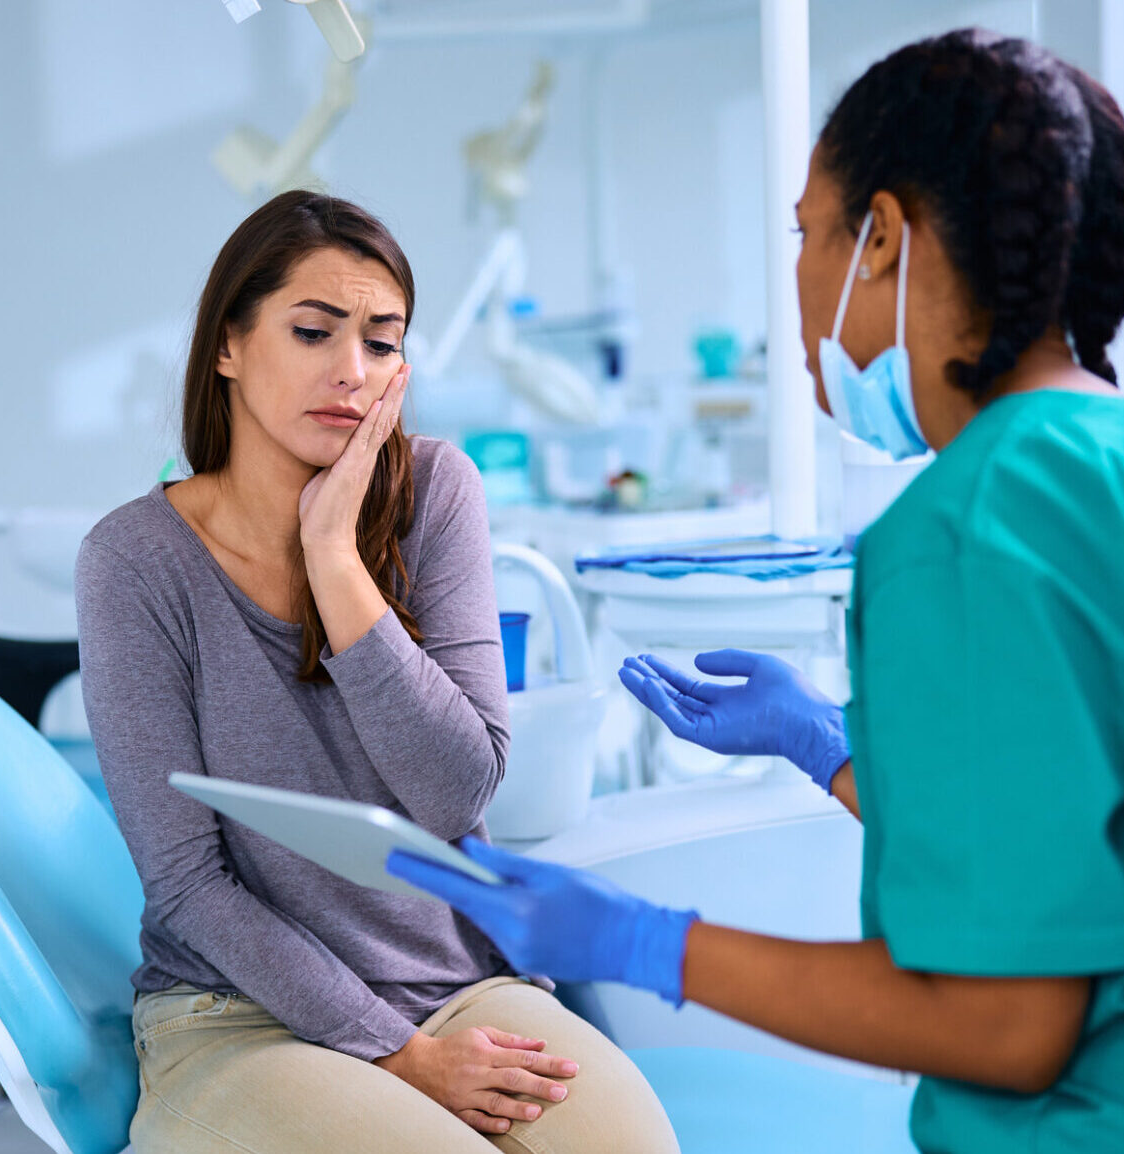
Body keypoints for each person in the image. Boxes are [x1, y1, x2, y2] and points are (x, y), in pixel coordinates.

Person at [391, 29, 1124, 1153]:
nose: (793, 279)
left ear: (878, 237)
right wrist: (825, 746)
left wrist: (641, 941)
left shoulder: (970, 522)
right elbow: (1108, 830)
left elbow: (1005, 1021)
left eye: (803, 232)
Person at [76, 190, 676, 1154]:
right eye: (313, 332)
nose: (350, 372)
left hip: (458, 987)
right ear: (227, 344)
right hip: (237, 1017)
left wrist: (336, 559)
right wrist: (394, 1054)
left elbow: (456, 791)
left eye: (382, 341)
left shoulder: (437, 493)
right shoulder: (132, 562)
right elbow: (188, 885)